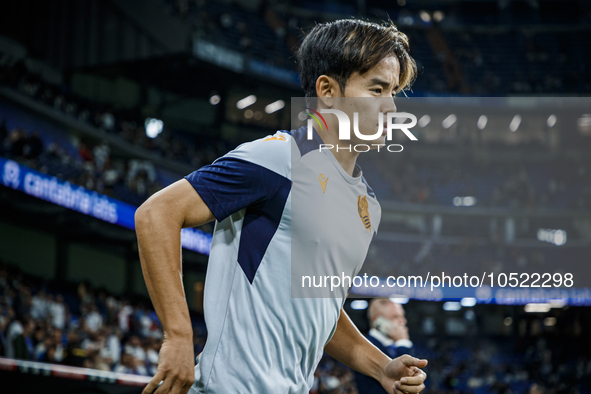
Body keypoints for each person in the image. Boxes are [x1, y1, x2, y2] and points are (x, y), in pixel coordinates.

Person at [135, 19, 427, 394]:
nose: (390, 107)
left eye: (394, 94)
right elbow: (156, 214)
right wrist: (177, 335)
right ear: (327, 90)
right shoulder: (279, 157)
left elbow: (320, 309)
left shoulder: (367, 204)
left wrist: (380, 366)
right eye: (376, 89)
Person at [355, 299, 414, 393]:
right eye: (395, 317)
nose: (403, 321)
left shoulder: (392, 345)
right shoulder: (367, 346)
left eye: (403, 316)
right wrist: (403, 344)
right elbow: (401, 379)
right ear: (377, 320)